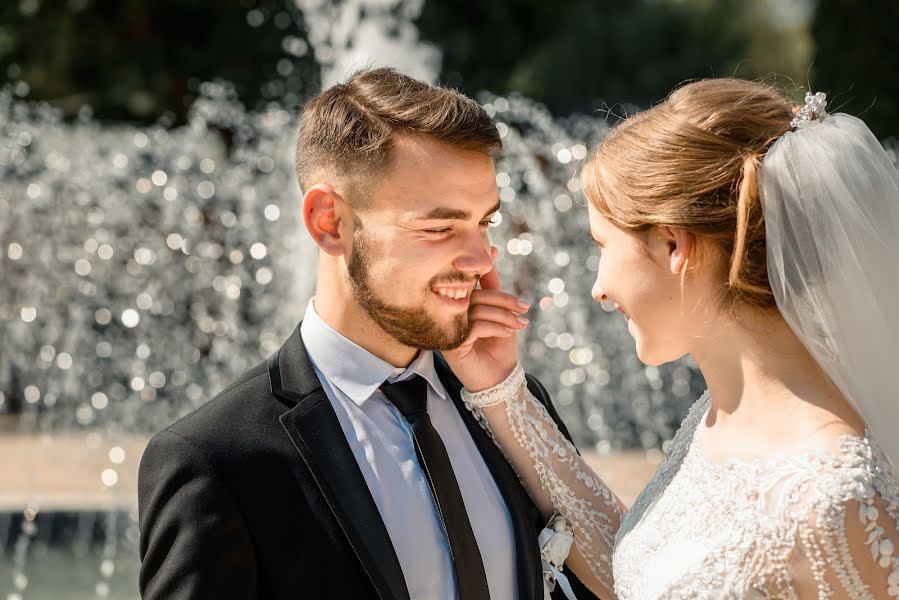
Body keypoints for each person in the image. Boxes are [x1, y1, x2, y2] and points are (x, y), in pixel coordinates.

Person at [137, 67, 597, 600]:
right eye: (440, 227)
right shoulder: (215, 459)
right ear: (329, 221)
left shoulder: (510, 402)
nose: (480, 260)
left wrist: (503, 391)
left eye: (484, 223)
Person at [445, 79, 899, 599]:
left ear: (671, 244)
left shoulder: (836, 497)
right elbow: (638, 578)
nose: (597, 289)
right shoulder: (713, 416)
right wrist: (500, 389)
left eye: (603, 244)